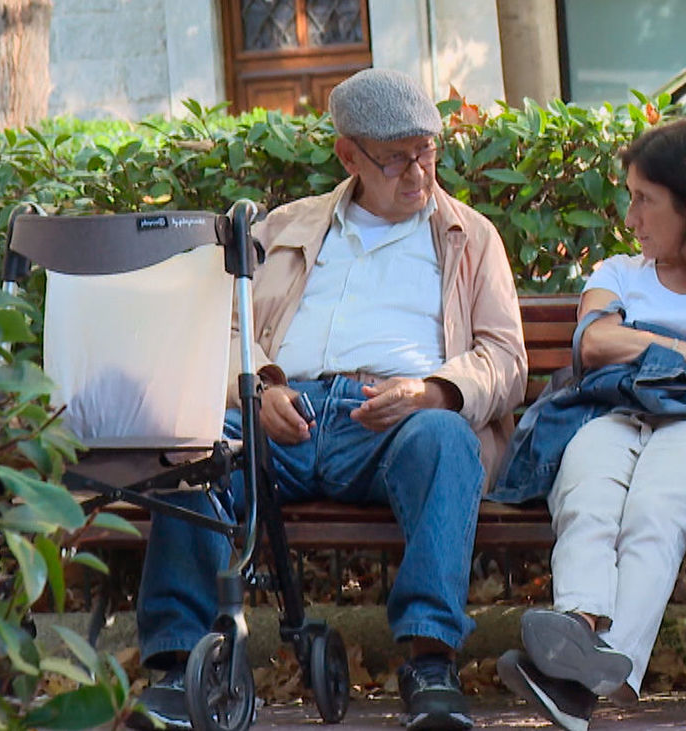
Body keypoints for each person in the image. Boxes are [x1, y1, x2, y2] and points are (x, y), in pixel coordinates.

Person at [129, 69, 527, 731]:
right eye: (396, 157)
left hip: (393, 423)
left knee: (447, 437)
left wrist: (433, 391)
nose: (419, 172)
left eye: (427, 151)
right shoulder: (289, 227)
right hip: (283, 413)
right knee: (192, 440)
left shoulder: (471, 236)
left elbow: (505, 360)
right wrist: (257, 390)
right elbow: (225, 329)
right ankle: (177, 667)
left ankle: (430, 662)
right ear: (348, 155)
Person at [496, 118, 686, 731]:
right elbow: (595, 342)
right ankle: (579, 629)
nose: (631, 217)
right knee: (586, 495)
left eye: (645, 200)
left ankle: (579, 681)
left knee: (653, 511)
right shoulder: (618, 272)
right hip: (618, 410)